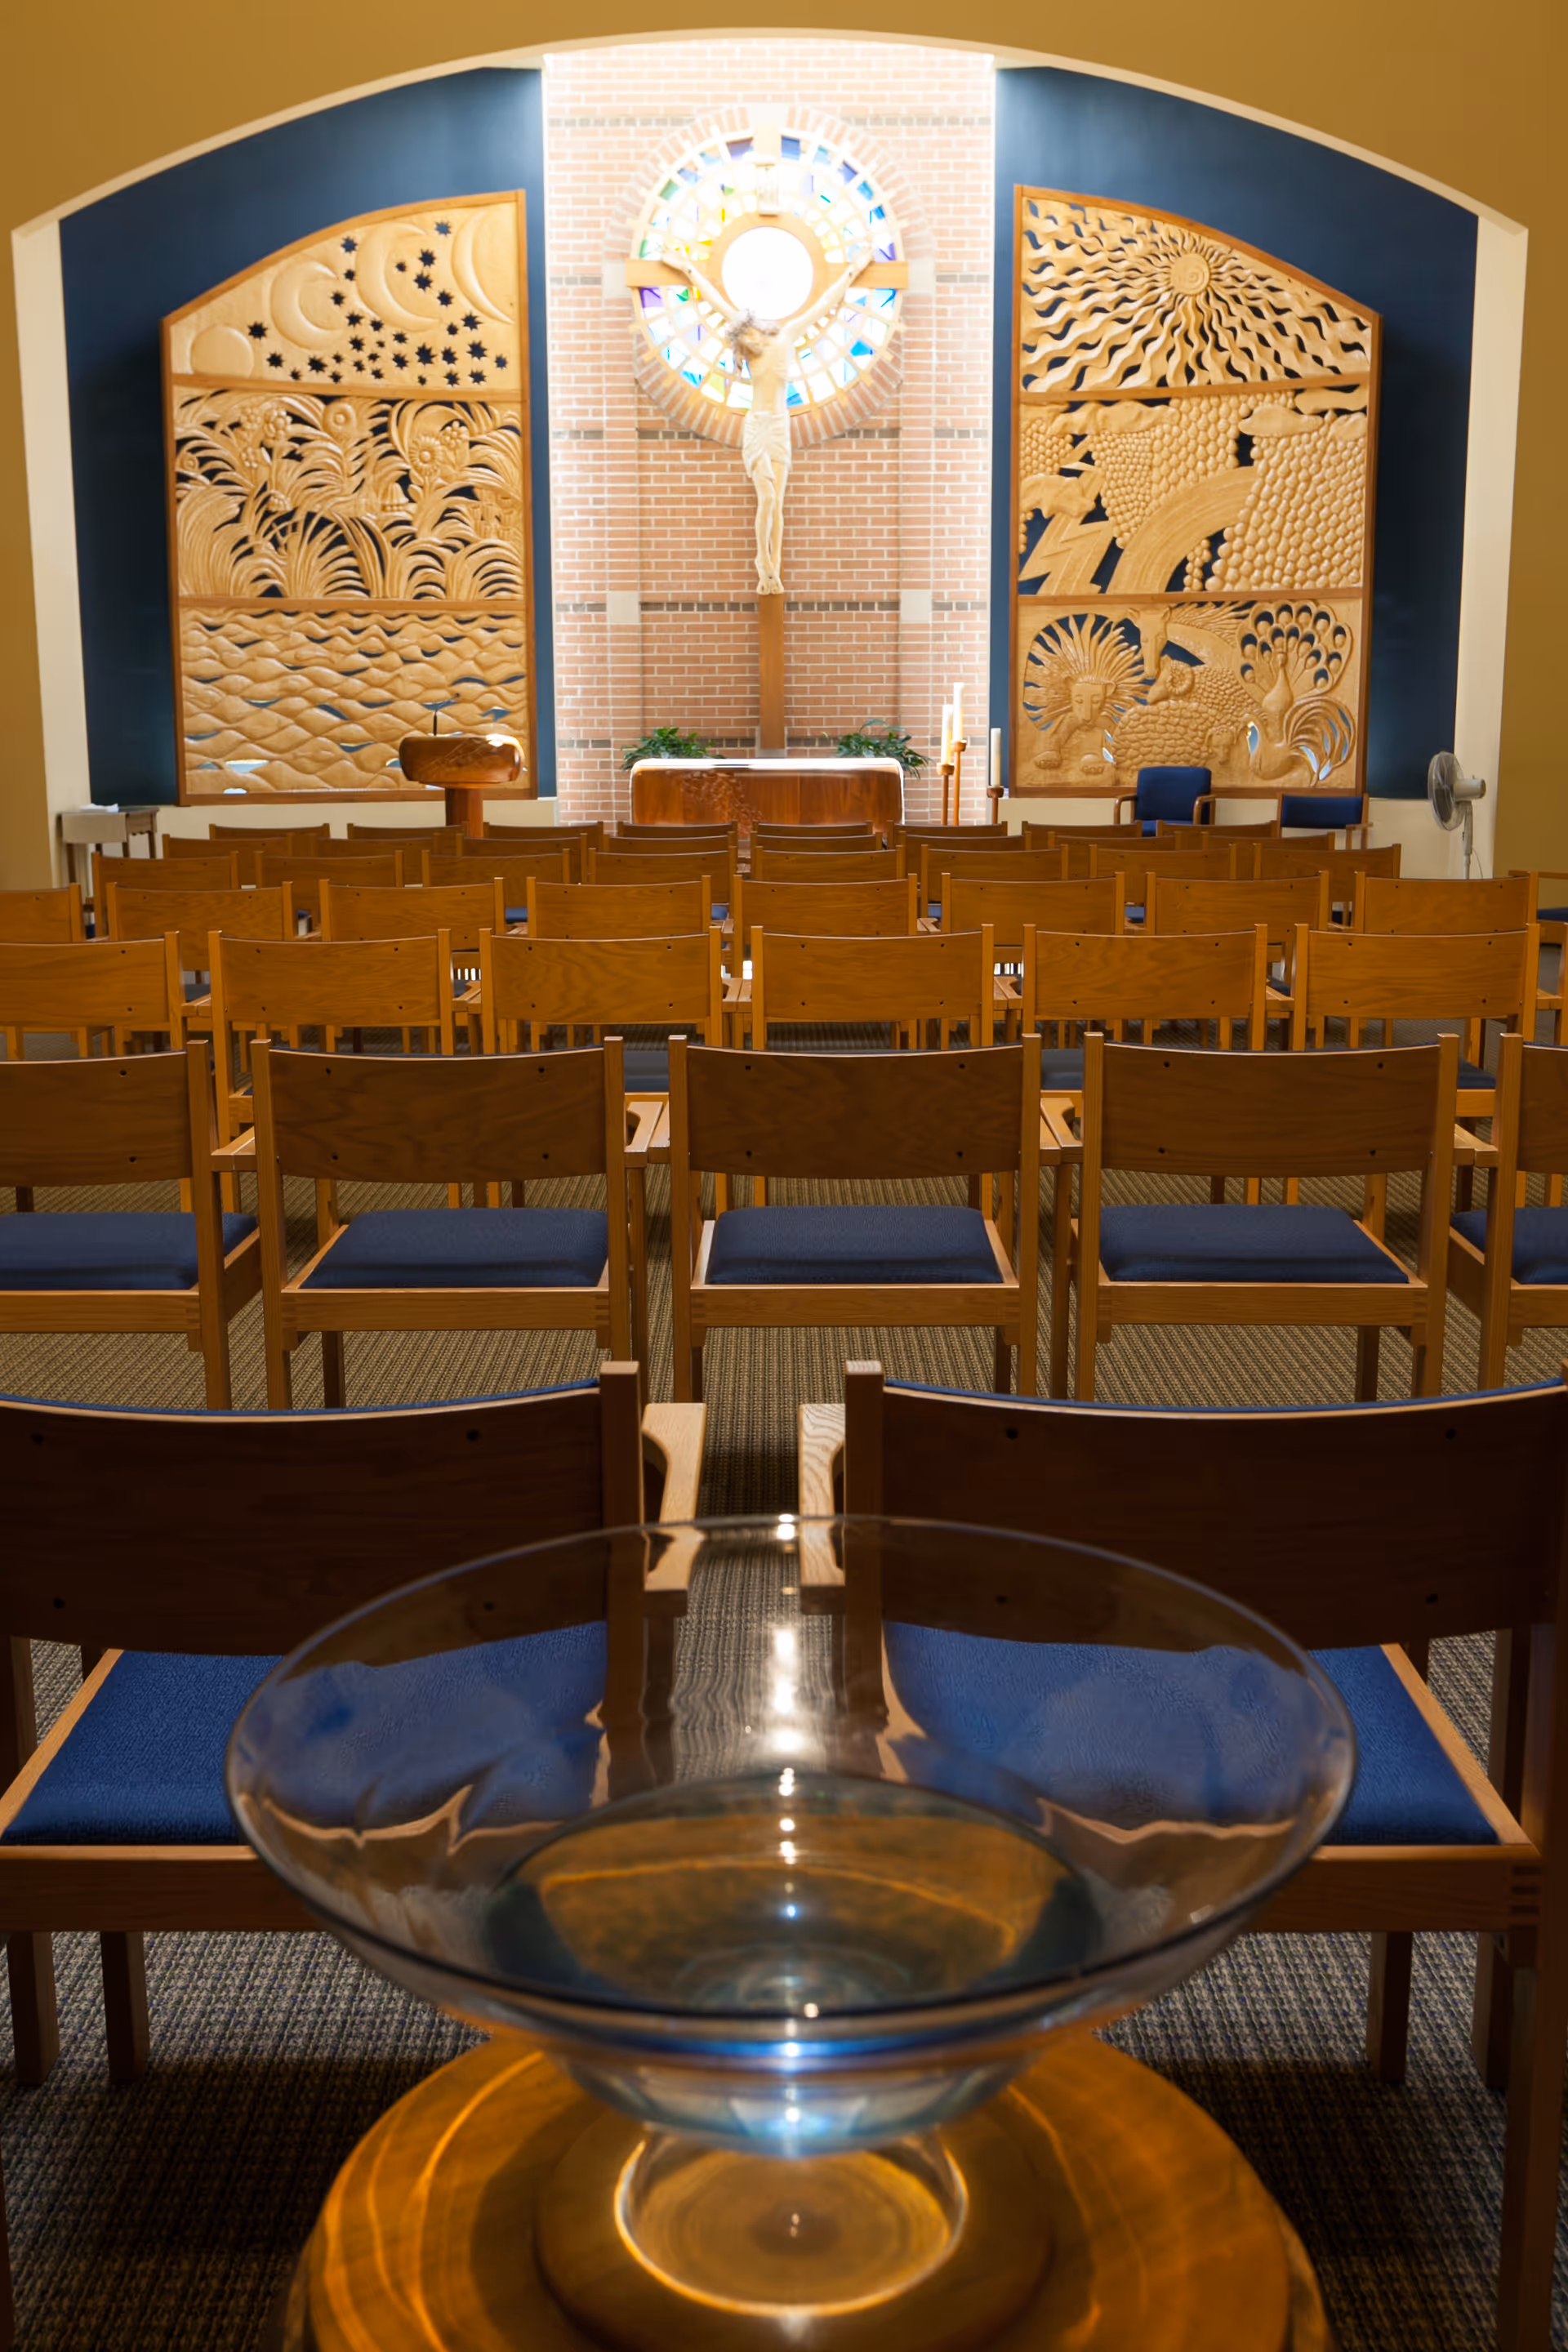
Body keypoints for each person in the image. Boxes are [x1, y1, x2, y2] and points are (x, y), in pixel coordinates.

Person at [662, 239, 868, 593]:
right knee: (767, 498)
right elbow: (713, 298)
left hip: (779, 428)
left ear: (756, 328)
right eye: (744, 346)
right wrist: (688, 270)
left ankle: (773, 570)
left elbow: (824, 304)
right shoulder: (751, 352)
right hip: (757, 427)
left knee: (779, 504)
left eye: (751, 338)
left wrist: (854, 270)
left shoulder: (786, 336)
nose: (751, 346)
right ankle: (761, 558)